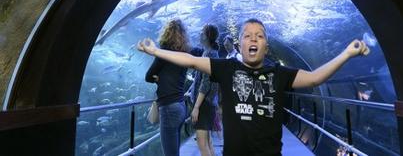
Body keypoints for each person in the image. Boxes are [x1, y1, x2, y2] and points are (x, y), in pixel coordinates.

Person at [138, 18, 370, 156]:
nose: (253, 39)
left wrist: (347, 54)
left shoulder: (279, 74)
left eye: (259, 36)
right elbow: (189, 60)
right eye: (247, 35)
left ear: (266, 47)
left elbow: (314, 78)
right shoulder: (227, 68)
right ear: (239, 43)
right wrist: (155, 51)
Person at [144, 19, 189, 156]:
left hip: (169, 108)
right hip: (181, 106)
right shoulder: (185, 54)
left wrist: (158, 79)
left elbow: (148, 76)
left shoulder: (163, 54)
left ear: (166, 33)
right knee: (175, 151)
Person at [190, 24, 220, 156]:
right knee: (208, 143)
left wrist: (196, 106)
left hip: (204, 104)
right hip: (208, 103)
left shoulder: (208, 54)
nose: (199, 34)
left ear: (207, 36)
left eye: (202, 32)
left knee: (202, 145)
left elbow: (205, 83)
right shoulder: (210, 53)